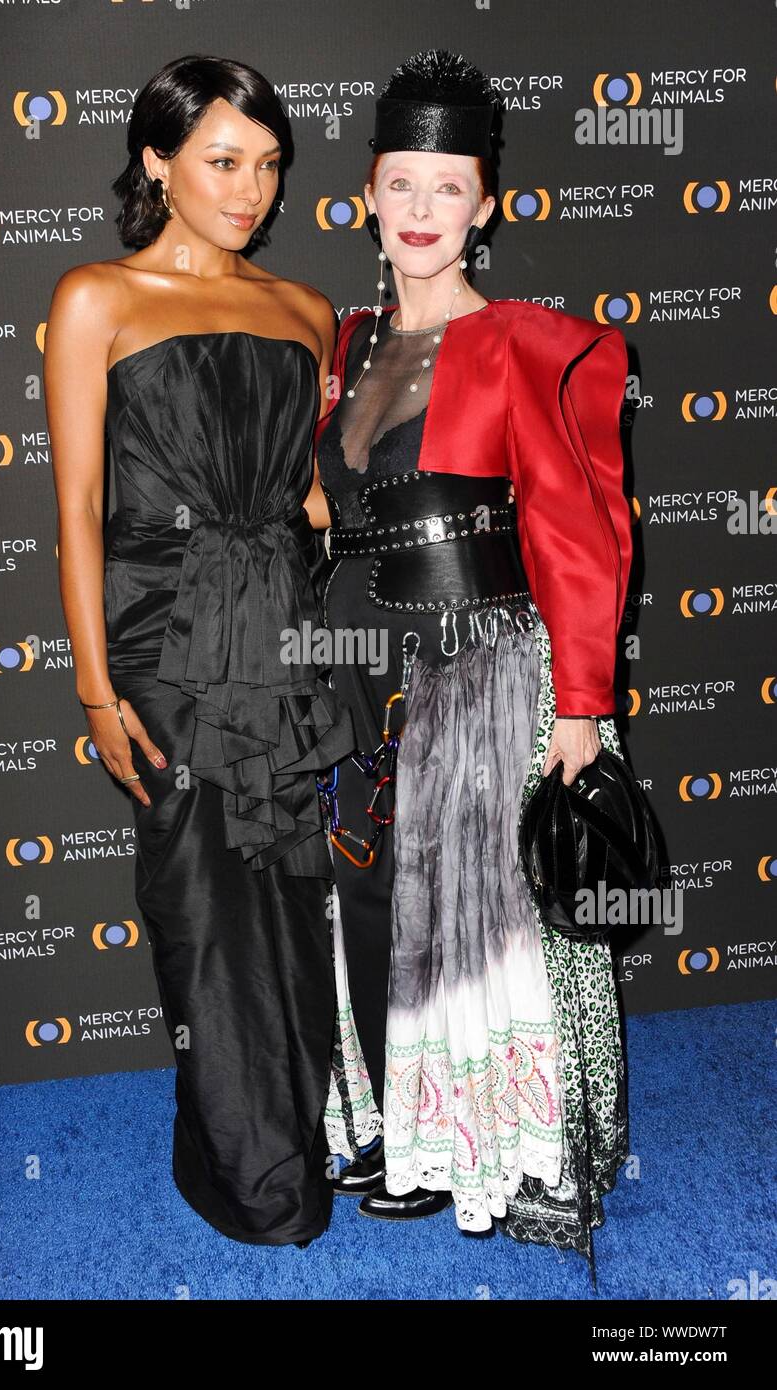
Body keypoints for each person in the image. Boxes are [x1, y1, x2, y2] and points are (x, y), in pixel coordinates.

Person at [313, 49, 632, 1278]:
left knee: (480, 915)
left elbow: (580, 530)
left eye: (451, 185)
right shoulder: (345, 342)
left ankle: (496, 1148)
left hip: (486, 667)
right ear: (370, 194)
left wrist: (582, 706)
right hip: (358, 656)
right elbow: (327, 508)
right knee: (374, 894)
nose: (424, 208)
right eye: (403, 181)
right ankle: (400, 1128)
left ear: (487, 202)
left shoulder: (534, 347)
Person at [44, 54, 357, 1248]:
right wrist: (91, 682)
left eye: (270, 165)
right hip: (162, 635)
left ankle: (287, 1134)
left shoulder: (305, 313)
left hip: (277, 623)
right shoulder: (96, 298)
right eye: (224, 161)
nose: (251, 190)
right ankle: (250, 1173)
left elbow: (307, 490)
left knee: (285, 888)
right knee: (200, 899)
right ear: (156, 162)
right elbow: (77, 504)